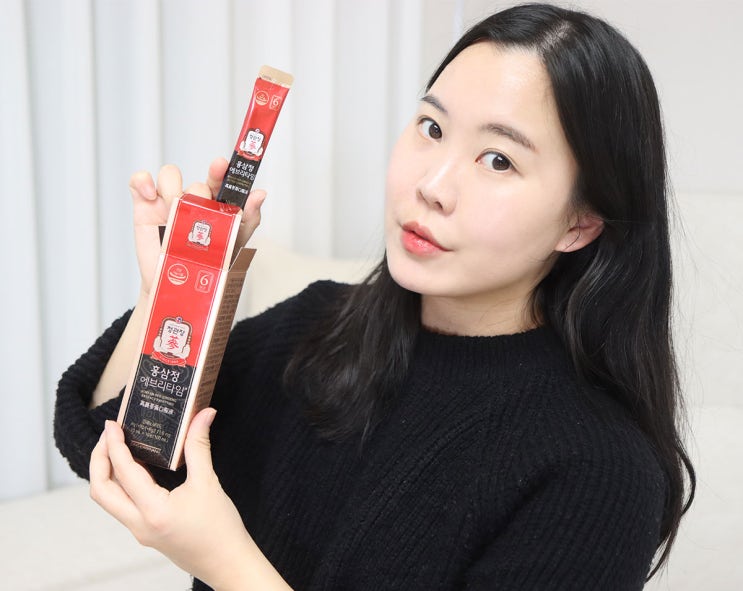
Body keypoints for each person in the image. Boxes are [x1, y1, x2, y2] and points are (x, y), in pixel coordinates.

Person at [54, 3, 695, 590]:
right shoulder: (321, 326)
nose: (432, 185)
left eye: (498, 159)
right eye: (431, 127)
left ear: (580, 222)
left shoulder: (602, 470)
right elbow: (113, 449)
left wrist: (228, 565)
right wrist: (170, 293)